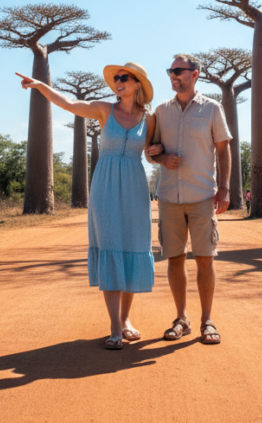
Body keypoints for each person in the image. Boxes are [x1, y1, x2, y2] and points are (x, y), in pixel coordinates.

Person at [16, 62, 158, 350]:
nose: (118, 81)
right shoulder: (104, 110)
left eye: (124, 78)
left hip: (134, 187)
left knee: (132, 248)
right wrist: (41, 86)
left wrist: (157, 153)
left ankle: (127, 319)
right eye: (116, 78)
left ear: (138, 84)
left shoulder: (150, 118)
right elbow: (69, 103)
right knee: (110, 247)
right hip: (105, 186)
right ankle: (115, 327)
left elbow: (152, 155)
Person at [147, 54, 232, 345]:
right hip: (169, 196)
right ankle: (181, 318)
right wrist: (162, 157)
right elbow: (151, 150)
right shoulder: (160, 110)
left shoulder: (212, 109)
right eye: (170, 70)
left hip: (201, 195)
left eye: (178, 70)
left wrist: (224, 188)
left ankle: (207, 320)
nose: (173, 75)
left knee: (205, 259)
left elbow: (223, 149)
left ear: (195, 74)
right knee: (175, 259)